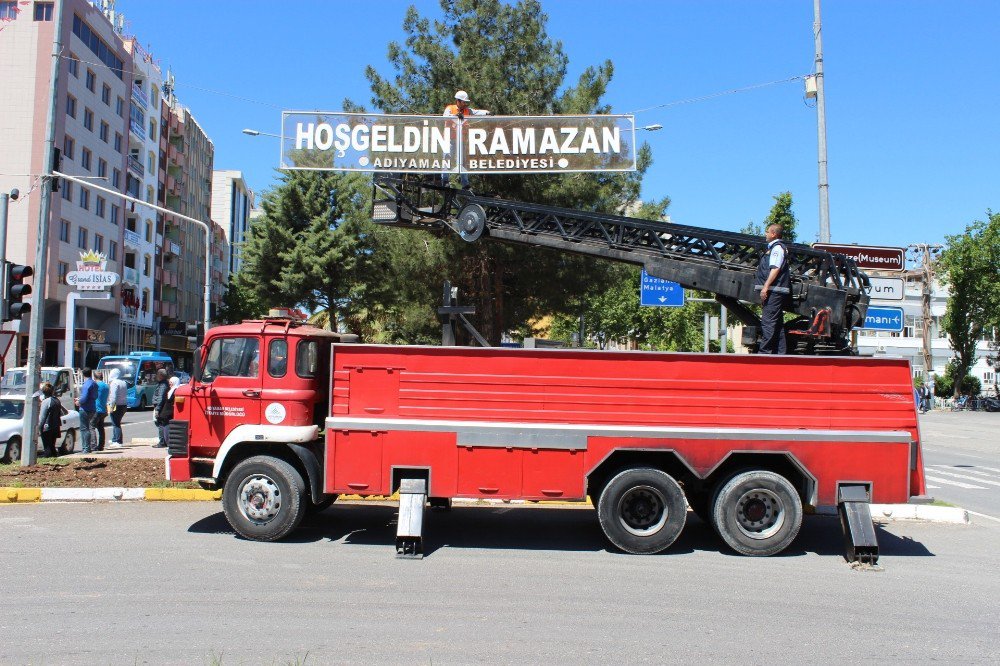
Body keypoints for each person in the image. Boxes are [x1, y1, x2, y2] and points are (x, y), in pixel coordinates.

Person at [754, 223, 791, 354]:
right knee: (777, 325)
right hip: (776, 290)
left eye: (767, 231)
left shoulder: (777, 249)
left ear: (774, 234)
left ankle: (764, 353)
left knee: (768, 323)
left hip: (774, 291)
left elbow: (775, 269)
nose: (765, 234)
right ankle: (781, 353)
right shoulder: (776, 248)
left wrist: (765, 287)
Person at [441, 90, 490, 189]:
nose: (465, 104)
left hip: (460, 140)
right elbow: (445, 117)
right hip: (449, 139)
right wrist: (455, 116)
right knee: (447, 158)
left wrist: (487, 113)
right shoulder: (450, 108)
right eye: (464, 102)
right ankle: (445, 180)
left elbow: (476, 112)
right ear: (458, 101)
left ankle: (465, 183)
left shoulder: (467, 111)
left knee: (463, 160)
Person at [38, 382, 66, 458]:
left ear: (43, 392)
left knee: (47, 447)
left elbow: (42, 417)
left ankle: (49, 460)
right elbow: (63, 413)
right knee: (52, 446)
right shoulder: (56, 400)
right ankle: (54, 459)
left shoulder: (46, 402)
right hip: (56, 426)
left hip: (47, 427)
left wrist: (39, 428)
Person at [75, 367, 98, 454]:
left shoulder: (86, 384)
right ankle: (88, 447)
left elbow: (84, 398)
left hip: (85, 408)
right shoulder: (94, 383)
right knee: (88, 427)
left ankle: (86, 448)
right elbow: (95, 396)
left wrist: (78, 401)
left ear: (82, 374)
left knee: (84, 428)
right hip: (92, 407)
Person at [156, 376, 180, 450]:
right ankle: (166, 443)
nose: (170, 384)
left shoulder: (177, 390)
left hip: (171, 412)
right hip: (165, 412)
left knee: (168, 428)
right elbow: (164, 400)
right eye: (170, 382)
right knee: (164, 426)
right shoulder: (169, 390)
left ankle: (169, 444)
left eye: (171, 383)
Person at [107, 368, 128, 449]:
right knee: (116, 422)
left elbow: (113, 396)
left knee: (115, 423)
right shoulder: (123, 382)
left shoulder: (114, 383)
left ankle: (118, 441)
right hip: (123, 404)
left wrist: (111, 406)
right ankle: (114, 438)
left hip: (116, 405)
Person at [152, 369, 170, 448]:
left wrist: (158, 409)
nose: (156, 376)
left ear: (161, 376)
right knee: (160, 423)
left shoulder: (163, 385)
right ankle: (163, 441)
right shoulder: (163, 383)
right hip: (160, 406)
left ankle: (162, 442)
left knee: (160, 424)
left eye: (157, 374)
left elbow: (161, 397)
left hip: (160, 406)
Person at [93, 370, 110, 451]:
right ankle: (101, 445)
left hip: (96, 409)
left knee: (91, 427)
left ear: (94, 377)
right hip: (103, 409)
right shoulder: (106, 386)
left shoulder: (96, 385)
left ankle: (93, 445)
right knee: (101, 428)